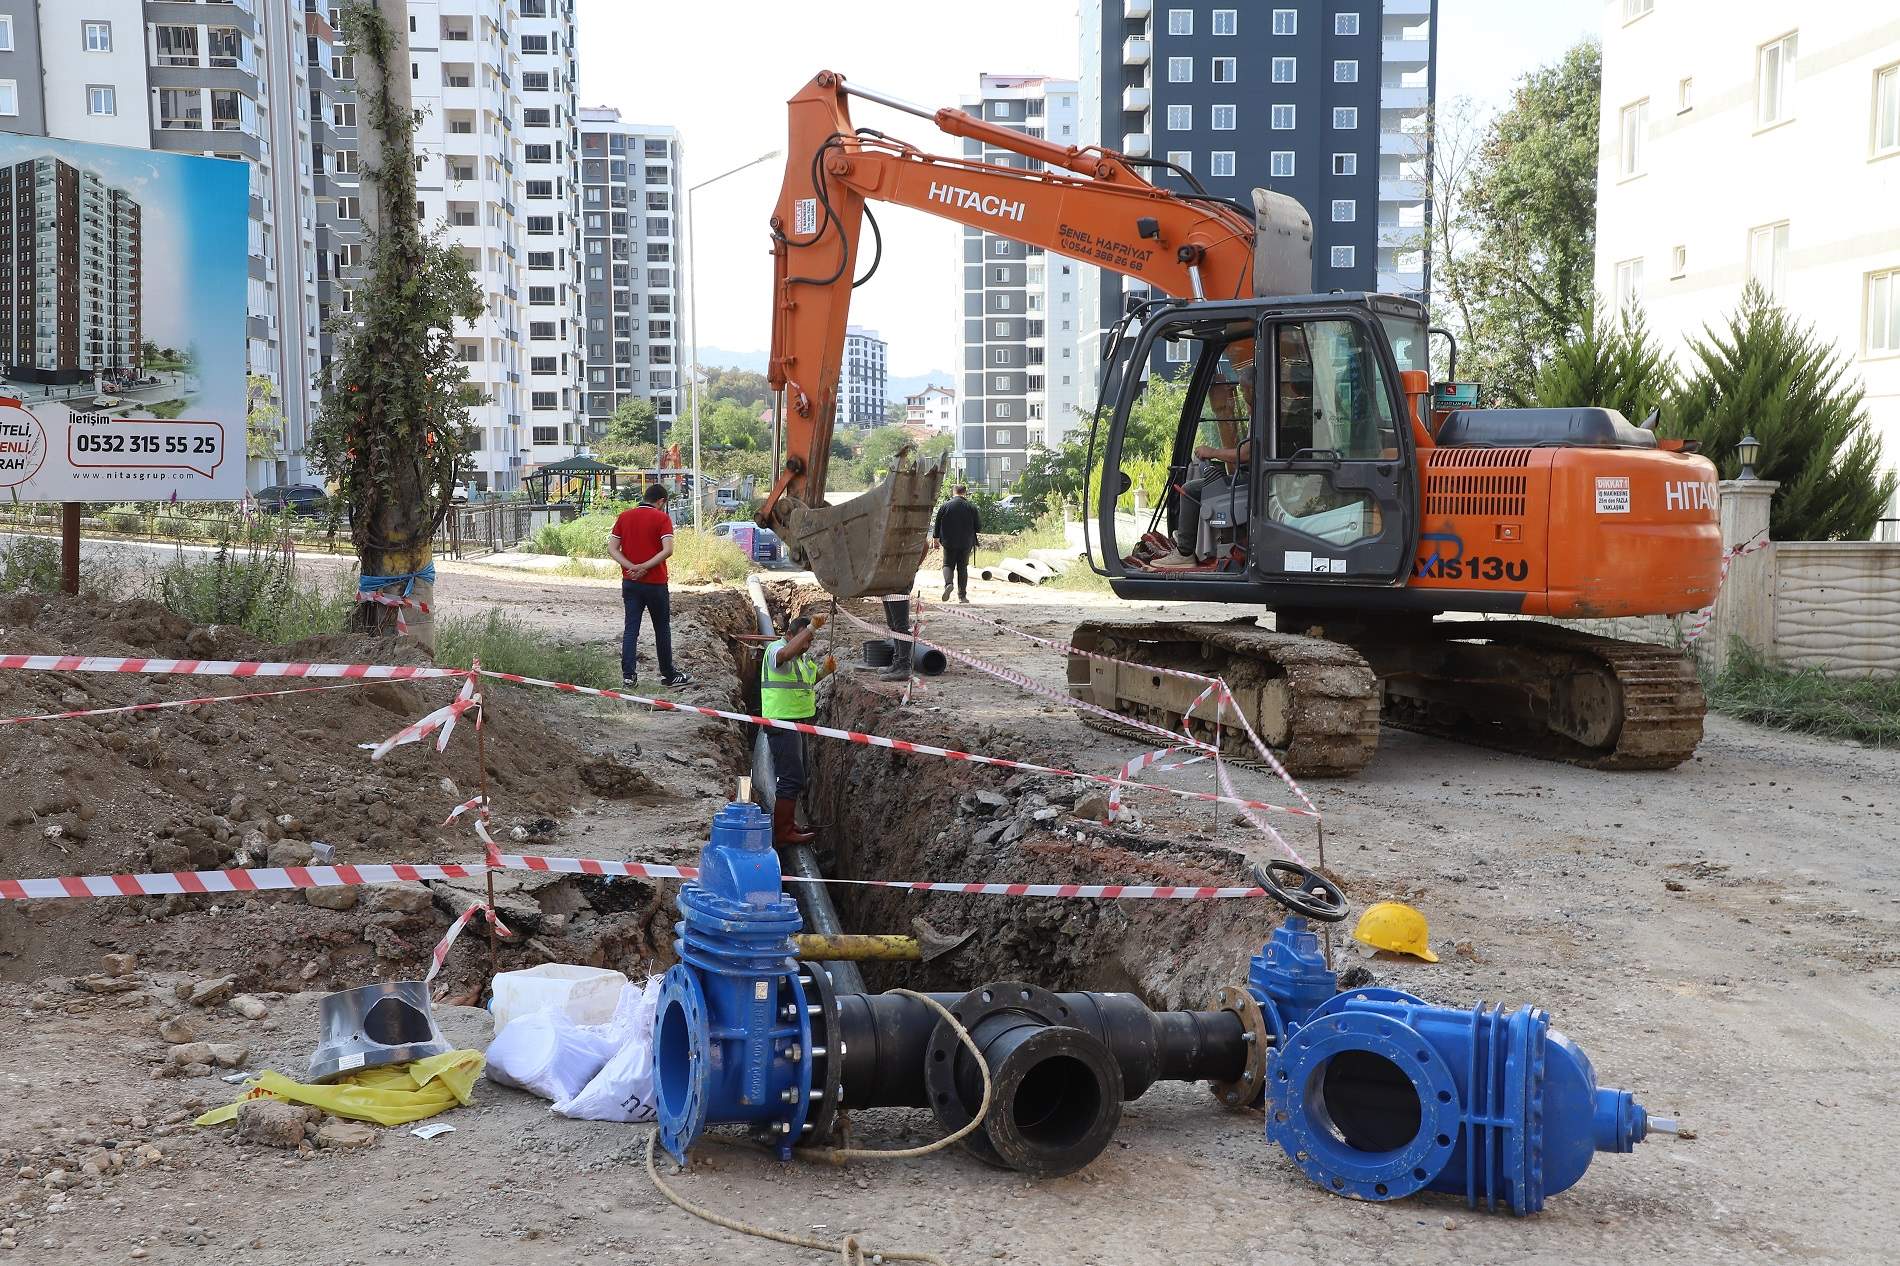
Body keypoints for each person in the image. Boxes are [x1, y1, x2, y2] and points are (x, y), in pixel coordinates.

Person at [607, 484, 693, 690]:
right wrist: (645, 567)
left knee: (631, 629)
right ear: (661, 501)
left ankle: (629, 676)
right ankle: (669, 675)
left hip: (630, 583)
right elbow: (668, 550)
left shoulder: (624, 517)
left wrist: (631, 567)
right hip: (655, 584)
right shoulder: (662, 518)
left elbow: (612, 548)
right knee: (661, 629)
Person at [759, 614, 837, 843]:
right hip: (781, 723)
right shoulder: (776, 649)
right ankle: (783, 832)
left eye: (810, 640)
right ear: (790, 635)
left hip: (796, 723)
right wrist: (811, 627)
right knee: (790, 777)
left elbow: (809, 681)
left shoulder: (802, 658)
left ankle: (789, 824)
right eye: (804, 638)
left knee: (797, 776)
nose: (807, 644)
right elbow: (784, 655)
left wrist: (824, 671)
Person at [931, 485, 982, 603]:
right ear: (965, 493)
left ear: (953, 492)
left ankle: (948, 584)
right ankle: (962, 596)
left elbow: (937, 523)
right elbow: (978, 527)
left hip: (949, 542)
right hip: (966, 542)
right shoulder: (971, 507)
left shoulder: (945, 505)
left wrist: (935, 539)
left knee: (948, 565)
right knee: (962, 568)